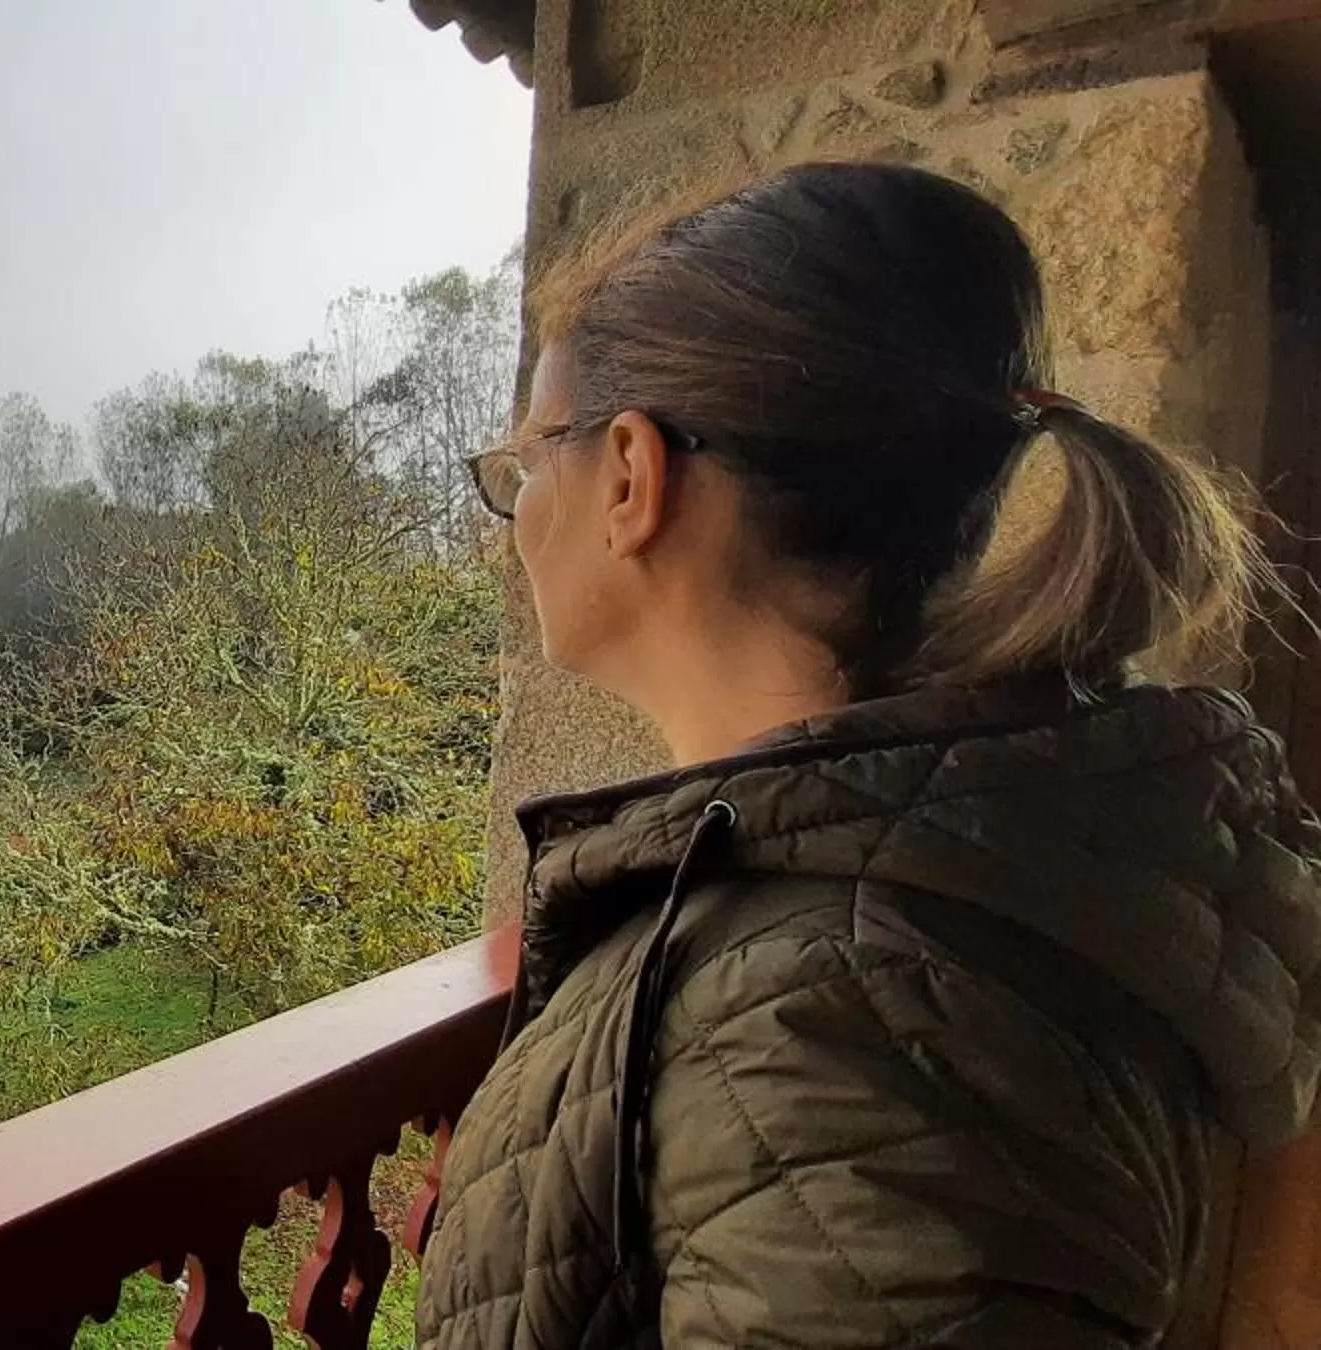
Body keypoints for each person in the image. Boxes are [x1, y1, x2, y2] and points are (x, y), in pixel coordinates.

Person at [415, 161, 1321, 1349]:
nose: (519, 512)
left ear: (631, 477)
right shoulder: (1091, 817)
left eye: (529, 462)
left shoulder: (829, 1024)